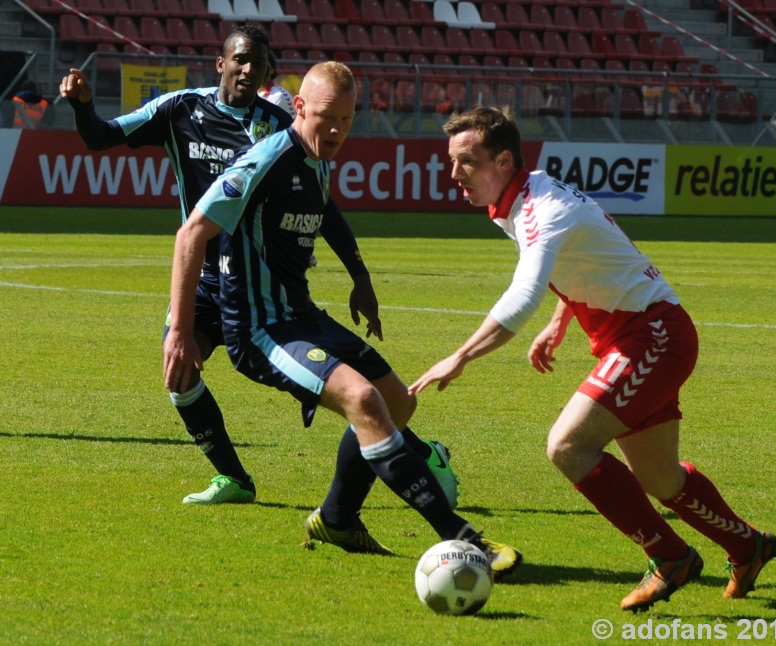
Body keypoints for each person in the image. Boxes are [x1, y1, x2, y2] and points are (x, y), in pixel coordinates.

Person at [59, 27, 458, 513]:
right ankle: (233, 476)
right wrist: (81, 106)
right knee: (179, 373)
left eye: (260, 64)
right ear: (221, 63)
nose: (250, 70)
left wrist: (359, 273)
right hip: (202, 279)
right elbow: (101, 138)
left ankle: (418, 452)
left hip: (256, 287)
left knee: (337, 386)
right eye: (241, 60)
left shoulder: (279, 128)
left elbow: (323, 207)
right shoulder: (178, 109)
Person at [409, 106, 776, 611]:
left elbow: (523, 295)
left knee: (567, 446)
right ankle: (746, 545)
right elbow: (589, 254)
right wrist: (562, 321)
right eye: (450, 161)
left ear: (502, 160)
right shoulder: (524, 197)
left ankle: (670, 557)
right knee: (661, 478)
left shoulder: (543, 209)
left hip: (651, 337)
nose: (453, 174)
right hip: (647, 334)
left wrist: (461, 357)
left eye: (465, 162)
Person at [163, 62, 522, 577]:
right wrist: (179, 329)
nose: (336, 131)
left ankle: (336, 518)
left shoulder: (318, 161)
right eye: (327, 117)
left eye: (347, 120)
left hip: (300, 315)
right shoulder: (266, 158)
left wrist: (360, 278)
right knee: (364, 400)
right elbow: (191, 232)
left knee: (398, 402)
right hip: (261, 329)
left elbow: (324, 212)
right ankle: (465, 540)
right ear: (301, 108)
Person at [258, 49, 296, 118]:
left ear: (272, 69)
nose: (260, 70)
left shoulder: (279, 96)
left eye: (264, 66)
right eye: (257, 66)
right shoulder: (252, 94)